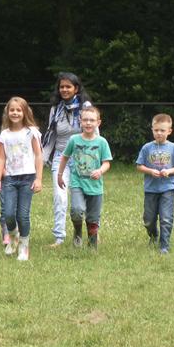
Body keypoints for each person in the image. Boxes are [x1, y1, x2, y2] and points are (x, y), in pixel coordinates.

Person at [41, 72, 93, 247]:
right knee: (59, 197)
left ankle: (92, 233)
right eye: (61, 87)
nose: (64, 89)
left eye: (68, 86)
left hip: (84, 158)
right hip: (61, 158)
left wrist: (98, 160)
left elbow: (94, 132)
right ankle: (59, 237)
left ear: (76, 89)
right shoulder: (55, 109)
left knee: (87, 198)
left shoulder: (85, 107)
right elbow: (51, 137)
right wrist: (41, 160)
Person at [0, 97, 43, 261]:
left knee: (23, 215)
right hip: (10, 179)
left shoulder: (31, 132)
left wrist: (39, 179)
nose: (15, 113)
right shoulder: (4, 134)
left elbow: (38, 155)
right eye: (12, 110)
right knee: (8, 214)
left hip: (27, 178)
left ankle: (23, 246)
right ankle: (13, 236)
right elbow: (1, 157)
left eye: (19, 110)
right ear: (7, 112)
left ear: (25, 112)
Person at [57, 106, 112, 250]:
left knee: (93, 217)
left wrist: (100, 171)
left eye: (92, 120)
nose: (88, 123)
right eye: (85, 120)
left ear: (98, 123)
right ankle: (77, 232)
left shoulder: (102, 142)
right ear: (80, 121)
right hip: (77, 183)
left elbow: (107, 163)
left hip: (95, 186)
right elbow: (64, 157)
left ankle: (92, 245)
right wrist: (60, 175)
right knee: (76, 210)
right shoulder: (74, 140)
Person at [135, 113, 174, 254]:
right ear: (152, 130)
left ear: (169, 131)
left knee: (166, 218)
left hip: (168, 188)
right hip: (150, 189)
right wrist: (150, 171)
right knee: (148, 219)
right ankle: (153, 236)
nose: (159, 133)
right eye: (156, 130)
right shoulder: (147, 148)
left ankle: (164, 246)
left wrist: (169, 171)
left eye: (162, 130)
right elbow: (139, 166)